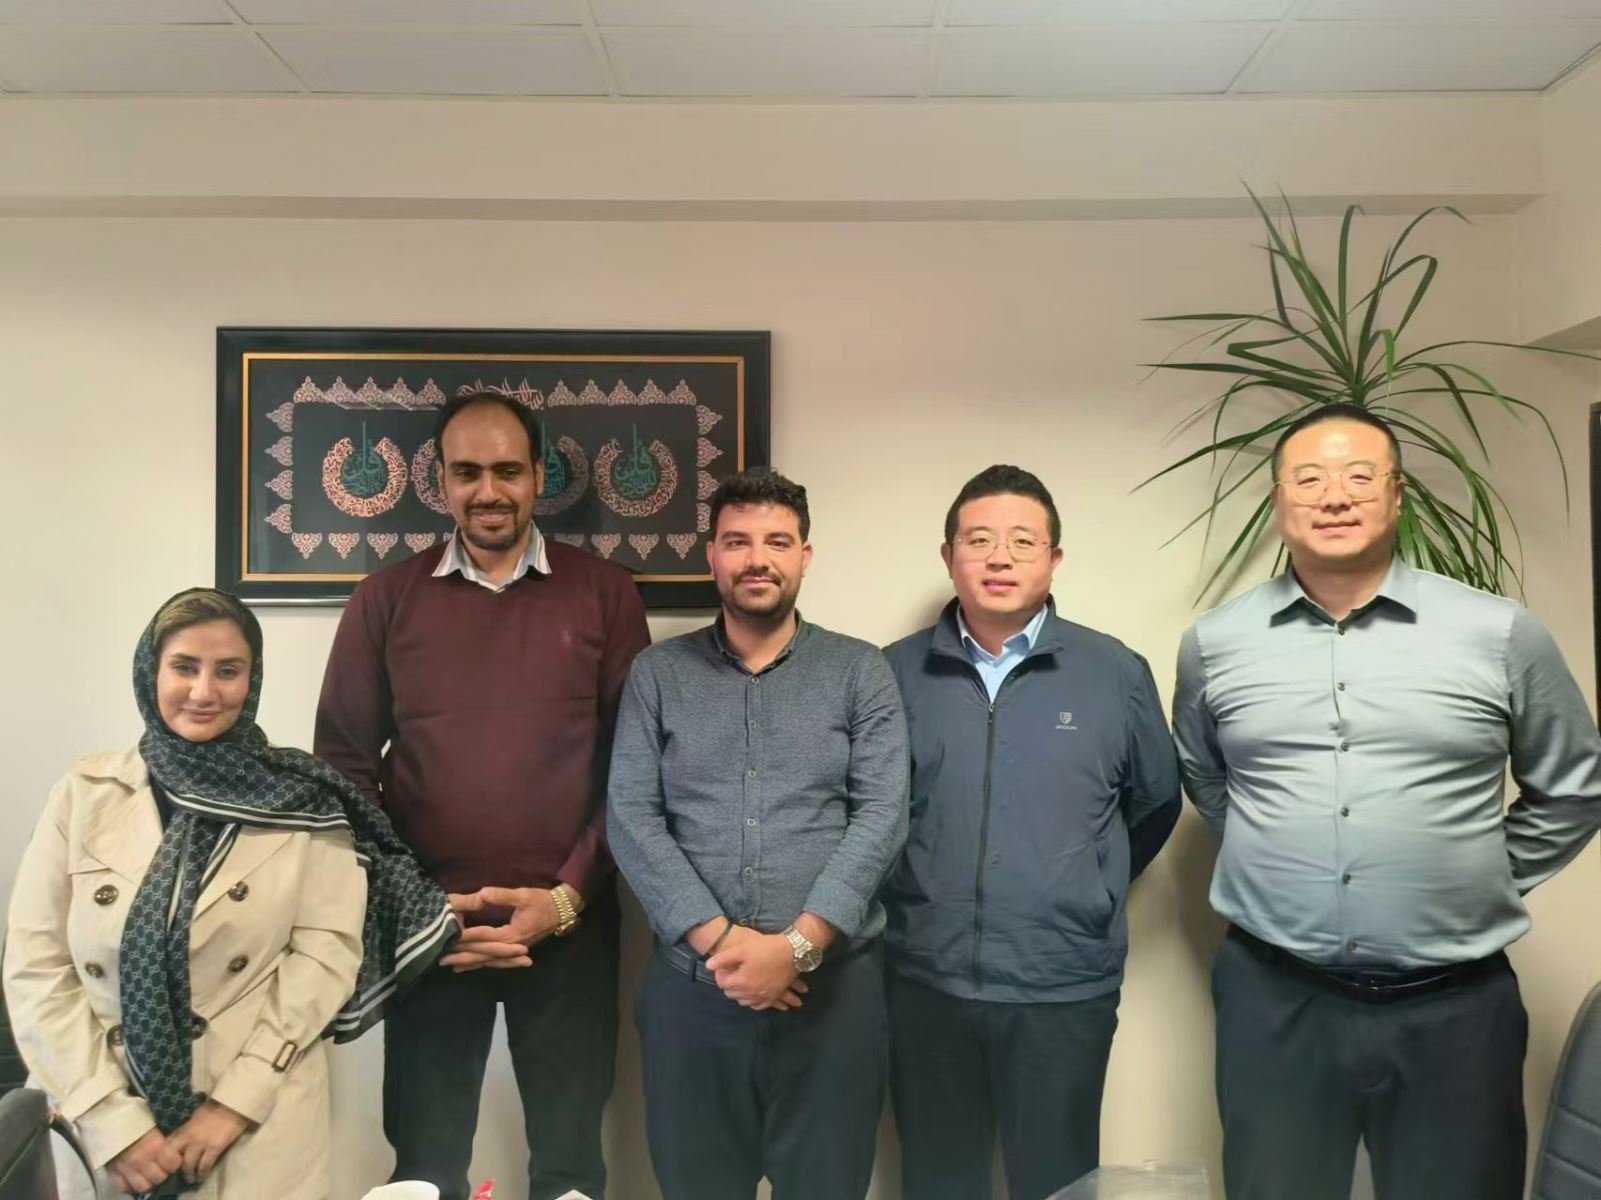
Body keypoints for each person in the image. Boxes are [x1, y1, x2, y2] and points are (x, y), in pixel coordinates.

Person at [1173, 403, 1601, 1200]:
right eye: (1308, 478)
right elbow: (1206, 776)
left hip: (1454, 1013)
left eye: (1358, 476)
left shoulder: (1499, 634)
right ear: (1277, 501)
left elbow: (1575, 788)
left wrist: (1478, 875)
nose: (1334, 495)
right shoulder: (1215, 643)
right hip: (1276, 1001)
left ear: (1397, 495)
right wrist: (1278, 860)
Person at [4, 587, 455, 1200]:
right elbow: (36, 969)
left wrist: (233, 1105)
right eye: (184, 667)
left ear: (253, 679)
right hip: (98, 1121)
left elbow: (325, 956)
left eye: (228, 671)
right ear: (150, 671)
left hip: (255, 1123)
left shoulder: (306, 800)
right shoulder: (83, 796)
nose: (203, 691)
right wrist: (112, 1121)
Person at [315, 391, 651, 1200]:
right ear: (439, 481)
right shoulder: (383, 599)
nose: (488, 491)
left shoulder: (605, 594)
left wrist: (564, 900)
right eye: (467, 473)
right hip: (431, 934)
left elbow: (635, 771)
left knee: (569, 1168)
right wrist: (421, 907)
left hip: (570, 931)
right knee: (423, 1168)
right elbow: (344, 768)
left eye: (507, 470)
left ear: (539, 475)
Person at [881, 464, 1181, 1200]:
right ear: (948, 555)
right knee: (937, 1182)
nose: (999, 557)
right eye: (978, 540)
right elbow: (868, 816)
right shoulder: (892, 673)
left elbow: (1155, 802)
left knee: (1058, 1183)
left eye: (1022, 541)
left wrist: (1085, 885)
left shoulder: (1113, 671)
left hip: (1062, 986)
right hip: (924, 981)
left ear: (1054, 558)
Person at [607, 468, 909, 1200]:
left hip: (833, 1002)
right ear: (711, 555)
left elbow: (882, 815)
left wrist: (796, 948)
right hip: (693, 1001)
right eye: (737, 541)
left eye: (777, 542)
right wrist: (726, 946)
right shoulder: (657, 674)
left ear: (805, 556)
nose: (757, 559)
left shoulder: (860, 671)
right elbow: (631, 815)